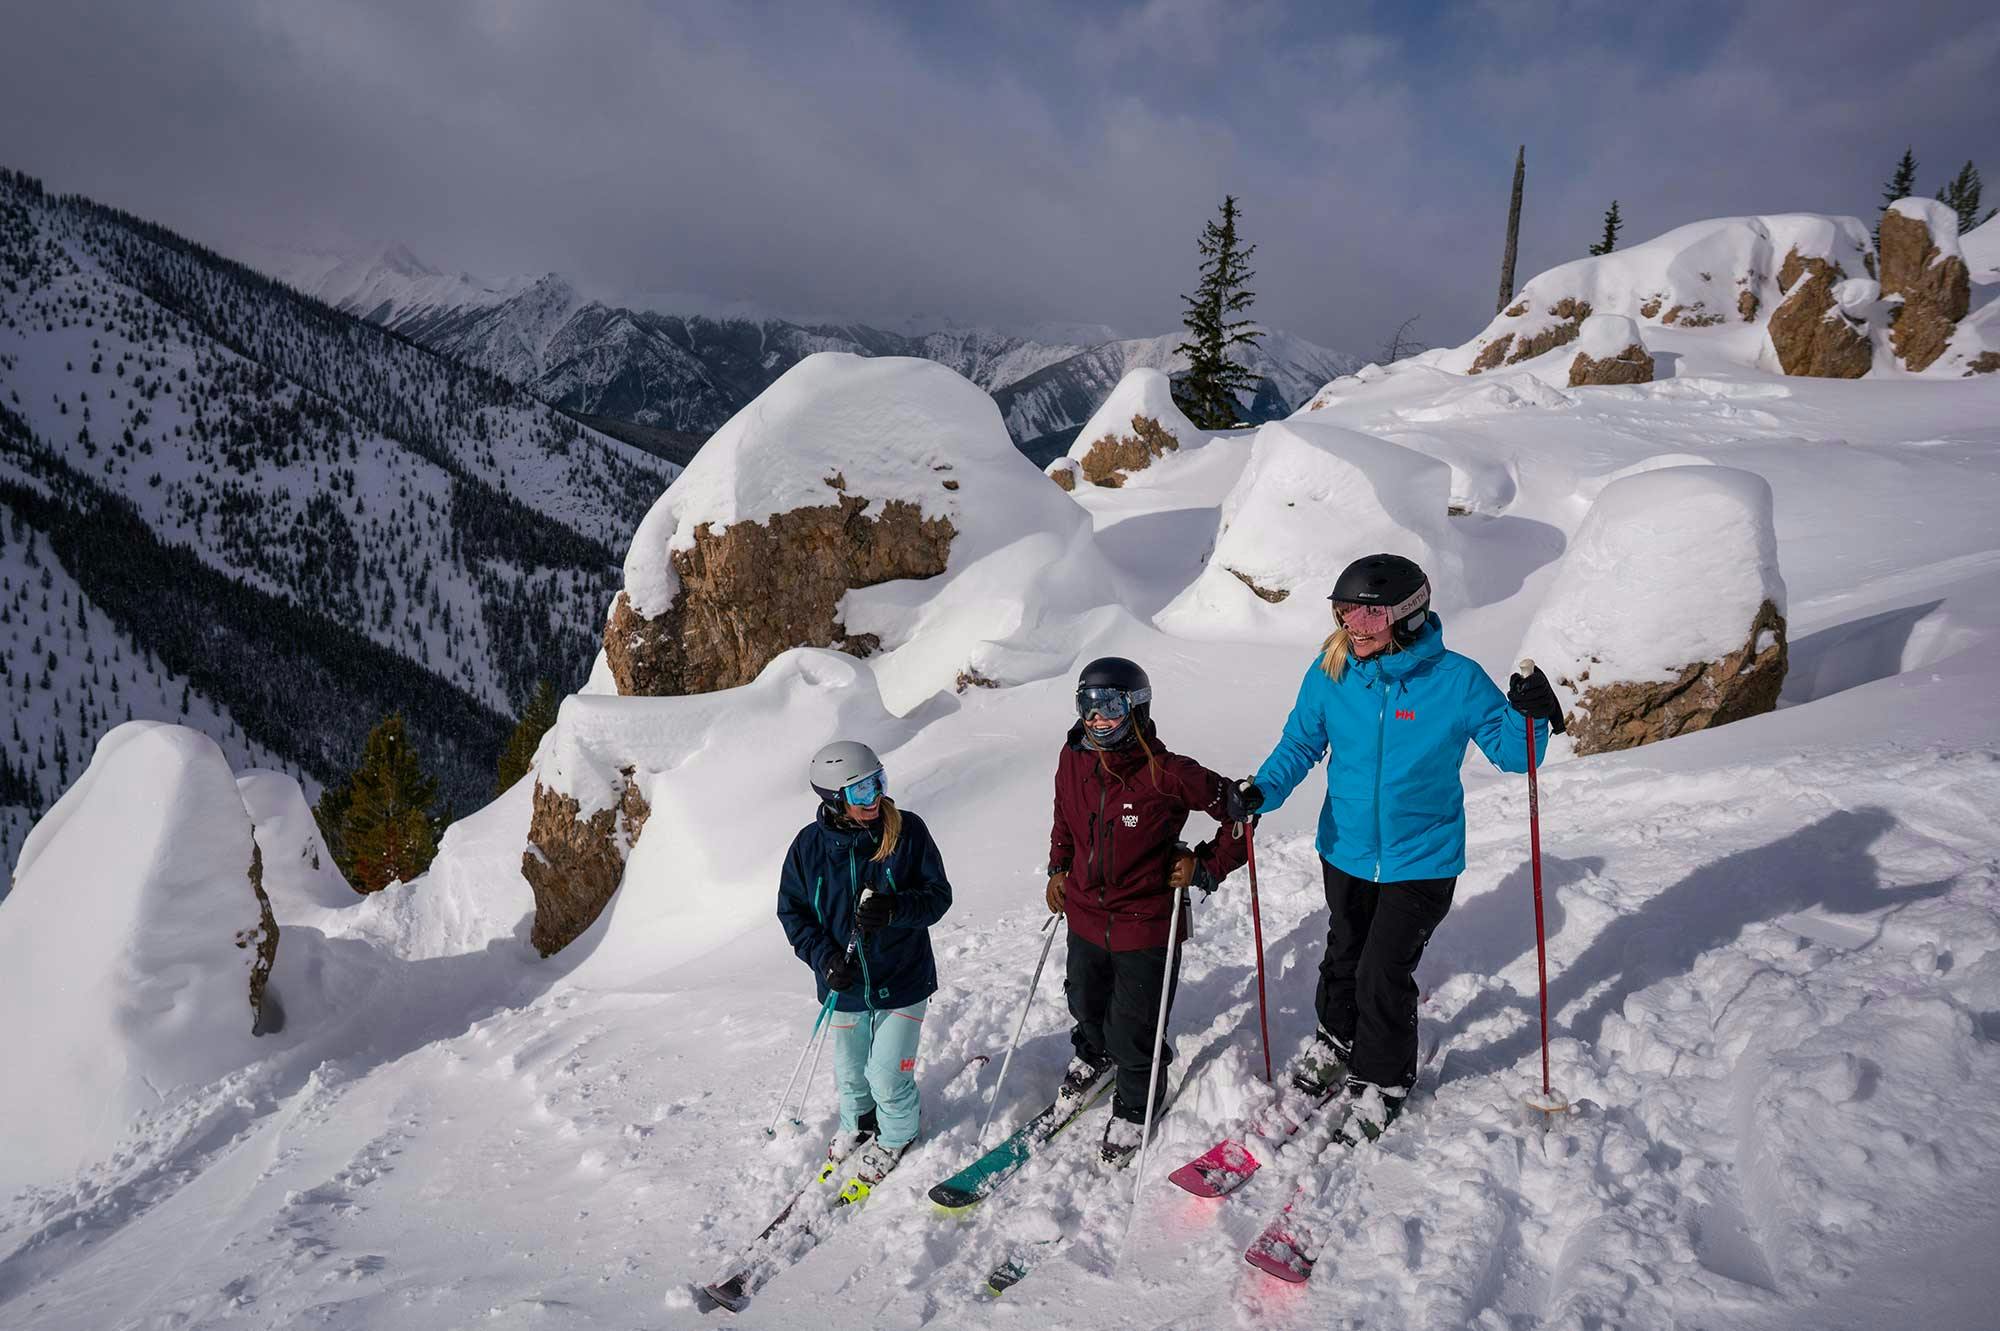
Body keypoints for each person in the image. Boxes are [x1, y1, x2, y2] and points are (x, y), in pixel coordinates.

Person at [1235, 554, 1564, 1140]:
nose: (1353, 624)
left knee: (1383, 972)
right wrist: (1262, 791)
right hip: (1346, 850)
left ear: (1409, 615)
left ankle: (1382, 1080)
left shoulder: (1456, 681)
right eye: (1345, 610)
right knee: (1343, 954)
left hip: (1423, 858)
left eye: (1370, 612)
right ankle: (1336, 1040)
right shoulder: (1331, 672)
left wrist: (1532, 716)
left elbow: (1515, 755)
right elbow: (1299, 744)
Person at [1046, 656, 1251, 1167]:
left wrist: (1204, 865)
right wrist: (1058, 867)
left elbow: (1240, 814)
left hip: (1145, 925)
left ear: (1136, 710)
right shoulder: (1073, 758)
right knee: (1086, 1003)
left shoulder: (1167, 773)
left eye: (1109, 708)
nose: (1096, 720)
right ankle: (1094, 1057)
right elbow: (1064, 818)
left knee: (1134, 1026)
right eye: (1087, 706)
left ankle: (1137, 1101)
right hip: (1086, 914)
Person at [777, 740, 954, 1194]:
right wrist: (825, 959)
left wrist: (895, 909)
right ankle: (858, 1122)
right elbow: (793, 912)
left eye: (878, 783)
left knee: (887, 1073)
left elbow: (937, 897)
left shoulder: (907, 832)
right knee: (852, 1075)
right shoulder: (808, 848)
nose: (874, 798)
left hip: (903, 979)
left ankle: (897, 1135)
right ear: (835, 799)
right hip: (846, 984)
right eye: (860, 793)